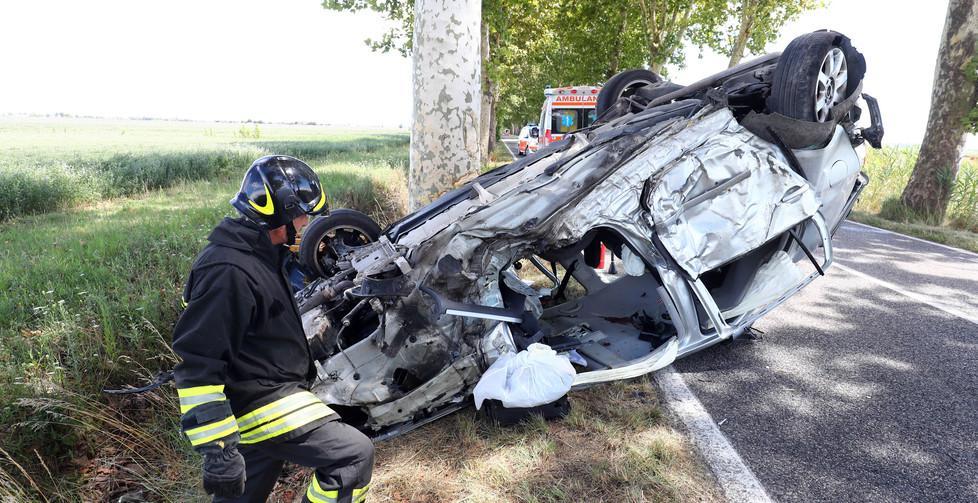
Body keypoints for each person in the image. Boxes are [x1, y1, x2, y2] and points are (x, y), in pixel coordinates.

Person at [171, 155, 374, 503]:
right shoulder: (227, 271)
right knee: (353, 456)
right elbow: (197, 364)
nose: (307, 222)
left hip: (270, 388)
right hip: (261, 399)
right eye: (302, 214)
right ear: (280, 214)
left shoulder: (261, 254)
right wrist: (218, 451)